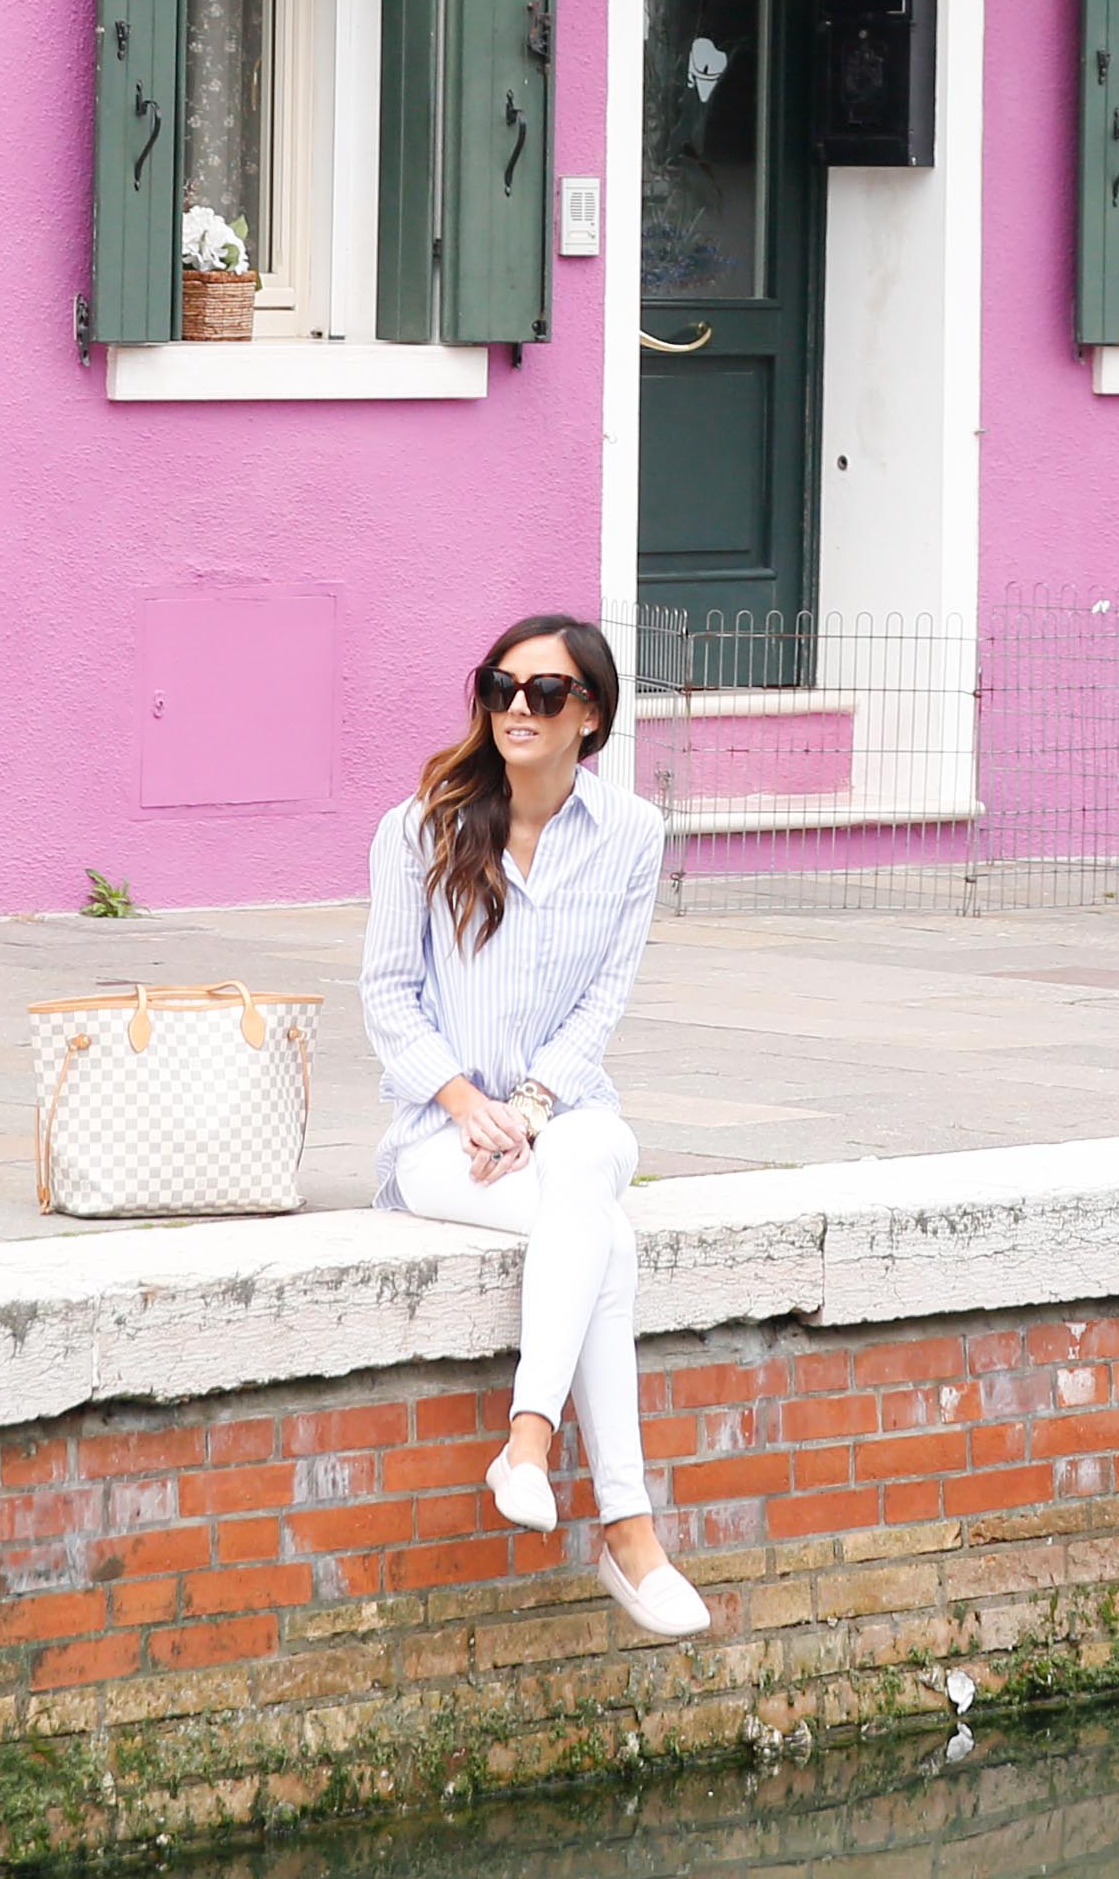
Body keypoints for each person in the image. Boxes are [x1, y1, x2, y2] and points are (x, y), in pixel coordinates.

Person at [359, 611, 702, 1639]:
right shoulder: (417, 827)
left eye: (544, 694)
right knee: (606, 1238)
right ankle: (629, 1530)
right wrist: (467, 1104)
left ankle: (529, 1443)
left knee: (590, 1165)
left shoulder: (634, 834)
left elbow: (604, 999)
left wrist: (533, 1106)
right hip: (437, 1139)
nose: (517, 707)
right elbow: (386, 995)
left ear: (588, 714)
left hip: (565, 1115)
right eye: (501, 687)